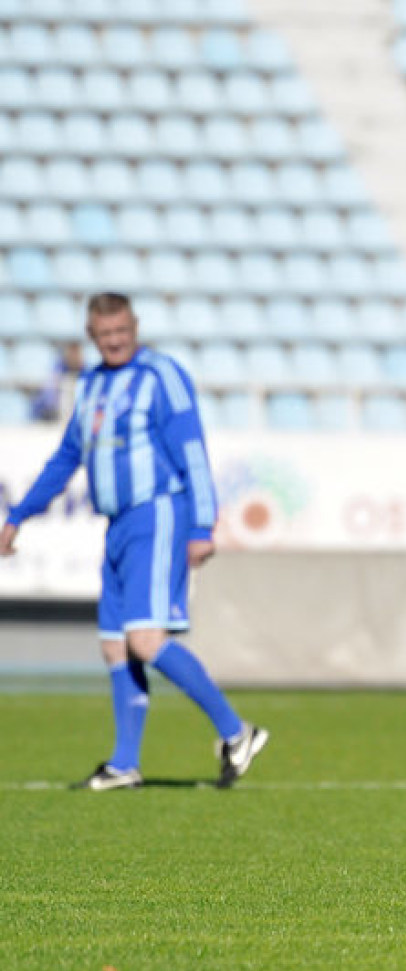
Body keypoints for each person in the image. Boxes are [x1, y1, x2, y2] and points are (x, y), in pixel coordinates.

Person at [0, 293, 268, 791]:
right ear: (92, 337)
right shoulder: (93, 385)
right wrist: (19, 514)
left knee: (145, 639)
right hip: (118, 524)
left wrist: (202, 526)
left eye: (123, 331)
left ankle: (237, 732)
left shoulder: (161, 375)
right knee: (114, 646)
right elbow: (66, 457)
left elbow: (191, 448)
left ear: (135, 326)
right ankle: (125, 764)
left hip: (159, 512)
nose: (117, 341)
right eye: (106, 335)